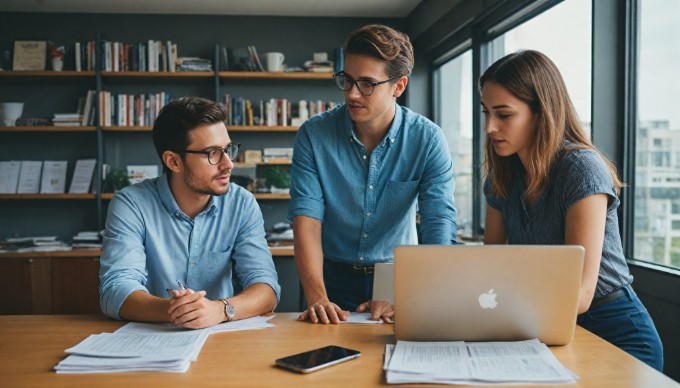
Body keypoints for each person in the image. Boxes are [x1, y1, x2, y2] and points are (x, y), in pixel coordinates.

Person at [480, 50, 663, 371]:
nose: (490, 127)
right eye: (486, 113)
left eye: (504, 115)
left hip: (615, 332)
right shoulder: (503, 174)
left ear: (541, 113)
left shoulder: (580, 168)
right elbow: (490, 265)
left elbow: (579, 294)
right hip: (546, 327)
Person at [288, 24, 458, 325]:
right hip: (330, 278)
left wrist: (421, 294)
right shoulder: (314, 135)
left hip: (400, 276)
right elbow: (307, 219)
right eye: (347, 80)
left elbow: (438, 225)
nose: (352, 93)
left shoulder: (427, 139)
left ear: (399, 86)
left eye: (367, 83)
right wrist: (317, 297)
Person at [99, 96, 280, 329]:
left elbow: (267, 289)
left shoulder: (241, 204)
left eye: (228, 150)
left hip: (221, 335)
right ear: (173, 161)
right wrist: (180, 311)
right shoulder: (131, 204)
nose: (228, 164)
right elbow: (115, 291)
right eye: (212, 153)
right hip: (151, 337)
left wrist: (221, 309)